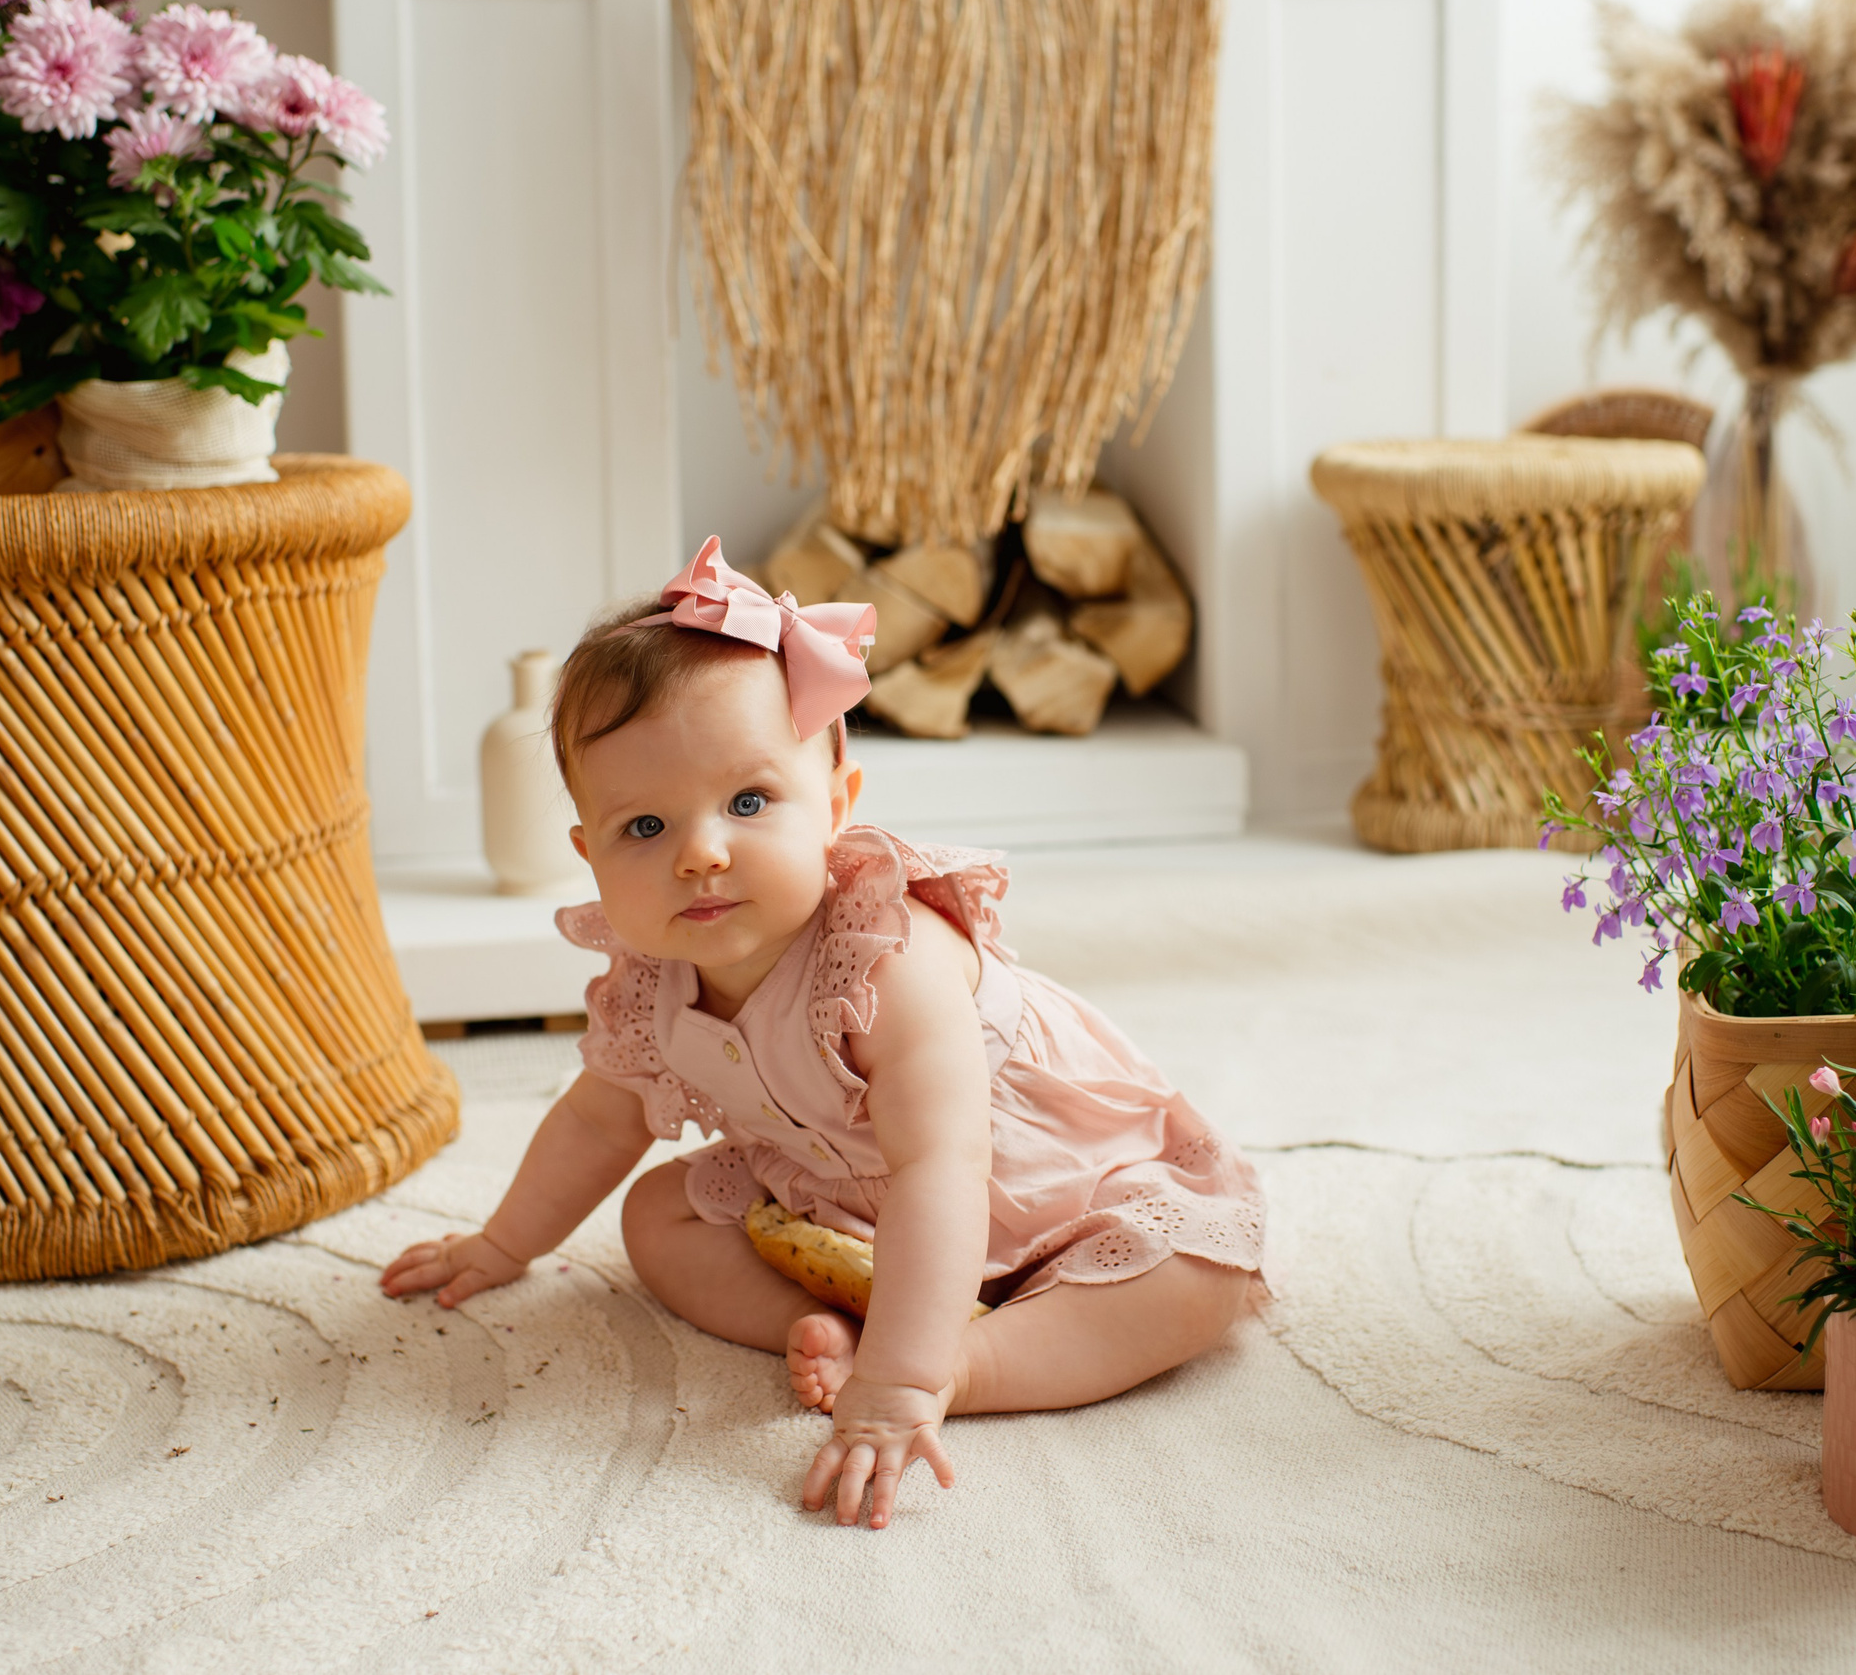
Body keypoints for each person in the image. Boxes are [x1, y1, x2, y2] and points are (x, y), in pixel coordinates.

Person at [382, 538, 1265, 1528]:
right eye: (644, 829)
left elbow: (943, 1164)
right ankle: (838, 1325)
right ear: (588, 853)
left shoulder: (889, 961)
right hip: (857, 1209)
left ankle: (955, 1363)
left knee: (1196, 1280)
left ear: (836, 806)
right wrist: (503, 1242)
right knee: (658, 1216)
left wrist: (900, 1379)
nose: (702, 853)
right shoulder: (654, 983)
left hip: (1045, 1190)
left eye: (749, 802)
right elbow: (598, 1121)